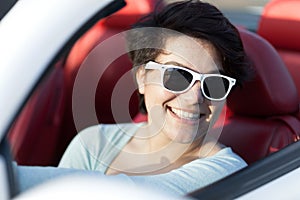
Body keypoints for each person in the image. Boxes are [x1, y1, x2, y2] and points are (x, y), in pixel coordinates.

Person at [57, 0, 252, 195]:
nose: (194, 97)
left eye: (214, 83)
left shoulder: (229, 174)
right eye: (176, 75)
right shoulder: (93, 143)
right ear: (142, 77)